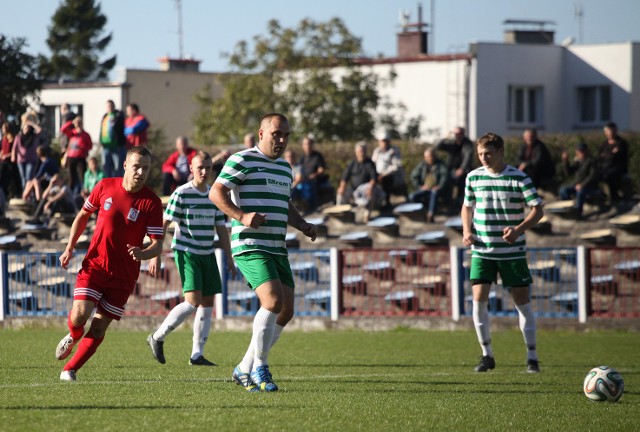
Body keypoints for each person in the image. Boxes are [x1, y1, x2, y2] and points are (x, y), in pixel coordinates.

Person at [209, 113, 317, 392]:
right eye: (276, 134)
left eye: (286, 135)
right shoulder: (241, 160)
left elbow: (285, 205)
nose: (281, 140)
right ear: (261, 134)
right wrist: (241, 216)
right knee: (272, 301)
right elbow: (216, 192)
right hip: (249, 244)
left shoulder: (285, 168)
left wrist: (302, 224)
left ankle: (243, 368)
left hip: (276, 247)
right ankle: (260, 367)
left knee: (286, 310)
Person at [55, 146, 164, 381]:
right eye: (136, 166)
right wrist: (69, 247)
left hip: (124, 275)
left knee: (98, 328)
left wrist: (143, 254)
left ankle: (69, 370)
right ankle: (73, 335)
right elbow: (83, 216)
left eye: (145, 168)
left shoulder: (152, 202)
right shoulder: (105, 186)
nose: (140, 172)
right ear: (125, 165)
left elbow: (157, 244)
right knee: (80, 316)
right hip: (95, 265)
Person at [461, 132, 543, 374]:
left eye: (488, 153)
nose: (484, 158)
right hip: (482, 250)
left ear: (500, 152)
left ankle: (532, 357)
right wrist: (466, 230)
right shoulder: (473, 177)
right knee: (478, 300)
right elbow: (466, 207)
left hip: (512, 252)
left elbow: (537, 210)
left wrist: (518, 230)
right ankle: (487, 355)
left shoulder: (519, 178)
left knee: (522, 302)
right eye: (480, 154)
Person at [146, 151, 236, 366]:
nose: (204, 171)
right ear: (191, 168)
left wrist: (229, 257)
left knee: (207, 303)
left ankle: (197, 354)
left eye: (208, 167)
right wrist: (154, 253)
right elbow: (164, 224)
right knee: (192, 302)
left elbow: (221, 228)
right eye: (200, 167)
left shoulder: (215, 195)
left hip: (207, 252)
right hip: (187, 251)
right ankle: (157, 337)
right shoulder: (182, 193)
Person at [336, 141, 384, 223]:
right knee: (340, 194)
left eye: (363, 151)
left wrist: (370, 188)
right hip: (353, 189)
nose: (362, 153)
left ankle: (366, 216)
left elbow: (374, 178)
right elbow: (344, 178)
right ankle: (340, 216)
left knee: (371, 193)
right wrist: (342, 188)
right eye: (360, 151)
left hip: (367, 189)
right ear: (356, 152)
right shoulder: (352, 163)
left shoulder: (370, 163)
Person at [559, 143, 599, 219]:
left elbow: (592, 176)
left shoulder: (592, 161)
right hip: (576, 184)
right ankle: (568, 209)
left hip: (589, 186)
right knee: (563, 190)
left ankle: (578, 213)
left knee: (580, 193)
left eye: (581, 151)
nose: (579, 153)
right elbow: (568, 172)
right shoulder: (578, 161)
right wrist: (565, 161)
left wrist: (582, 185)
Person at [409, 147, 450, 223]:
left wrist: (439, 186)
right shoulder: (422, 165)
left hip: (436, 189)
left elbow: (445, 176)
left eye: (431, 156)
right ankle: (422, 212)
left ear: (434, 156)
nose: (429, 158)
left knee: (434, 193)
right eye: (427, 157)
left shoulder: (440, 164)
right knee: (412, 196)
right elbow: (413, 176)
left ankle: (431, 214)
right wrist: (420, 186)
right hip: (425, 188)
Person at [436, 126, 474, 204]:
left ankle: (461, 203)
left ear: (463, 134)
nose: (458, 135)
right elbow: (438, 146)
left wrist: (462, 169)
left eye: (460, 133)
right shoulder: (451, 143)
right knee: (446, 181)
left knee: (462, 182)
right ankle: (448, 202)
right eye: (456, 133)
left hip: (464, 170)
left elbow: (468, 156)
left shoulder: (467, 144)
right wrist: (445, 137)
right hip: (451, 169)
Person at [11, 111, 48, 190]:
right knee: (23, 178)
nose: (27, 129)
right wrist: (13, 156)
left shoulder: (34, 136)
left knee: (29, 177)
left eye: (28, 127)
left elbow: (40, 131)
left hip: (31, 160)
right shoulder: (19, 136)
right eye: (25, 127)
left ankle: (28, 194)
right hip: (21, 160)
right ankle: (26, 193)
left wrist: (31, 123)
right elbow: (14, 147)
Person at [598, 122, 629, 207]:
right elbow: (600, 156)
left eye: (610, 131)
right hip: (605, 167)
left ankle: (614, 198)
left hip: (617, 168)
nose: (609, 133)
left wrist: (607, 155)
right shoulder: (604, 144)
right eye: (607, 131)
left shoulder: (621, 143)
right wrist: (610, 154)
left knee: (610, 176)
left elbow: (615, 158)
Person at [371, 133, 406, 209]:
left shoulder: (394, 151)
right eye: (382, 141)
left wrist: (383, 174)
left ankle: (387, 202)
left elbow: (396, 166)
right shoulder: (377, 151)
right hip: (377, 175)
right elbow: (372, 163)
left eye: (385, 141)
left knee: (386, 180)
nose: (383, 143)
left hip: (390, 176)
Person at [60, 116, 93, 194]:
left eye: (79, 123)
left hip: (81, 157)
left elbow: (90, 146)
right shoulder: (72, 133)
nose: (78, 125)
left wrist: (82, 147)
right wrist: (71, 122)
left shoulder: (86, 135)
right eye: (77, 124)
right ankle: (71, 193)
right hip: (71, 157)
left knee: (82, 177)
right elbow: (63, 129)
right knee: (71, 177)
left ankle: (83, 193)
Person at [297, 136, 328, 212]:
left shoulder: (317, 156)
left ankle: (311, 209)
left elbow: (321, 169)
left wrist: (314, 174)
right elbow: (298, 170)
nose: (307, 146)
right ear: (303, 146)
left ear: (312, 145)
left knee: (309, 186)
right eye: (305, 144)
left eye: (309, 144)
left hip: (315, 179)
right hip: (303, 180)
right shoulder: (302, 158)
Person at [99, 100, 126, 178]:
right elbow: (102, 130)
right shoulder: (105, 117)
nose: (110, 108)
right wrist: (100, 140)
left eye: (111, 106)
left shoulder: (118, 115)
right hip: (106, 146)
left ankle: (118, 186)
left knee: (118, 168)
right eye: (108, 106)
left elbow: (121, 127)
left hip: (116, 146)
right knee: (106, 168)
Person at [1, 121, 22, 199]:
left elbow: (15, 151)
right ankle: (5, 195)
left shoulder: (14, 138)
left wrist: (7, 156)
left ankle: (18, 193)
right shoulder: (4, 139)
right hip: (4, 161)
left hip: (12, 161)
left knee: (15, 178)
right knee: (4, 179)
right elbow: (3, 149)